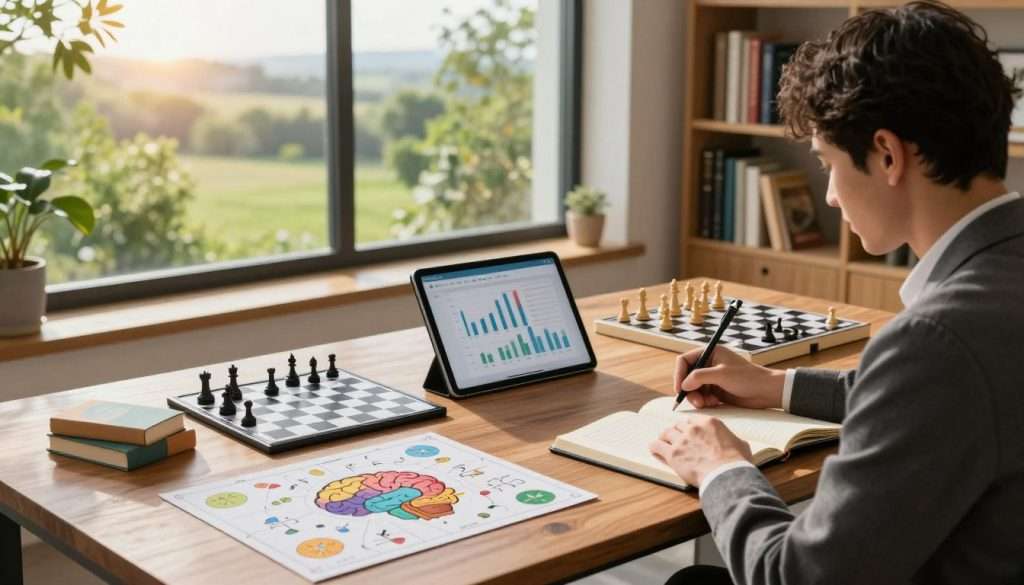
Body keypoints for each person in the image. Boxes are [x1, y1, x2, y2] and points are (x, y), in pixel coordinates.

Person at [649, 2, 1024, 584]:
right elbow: (939, 403)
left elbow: (796, 576)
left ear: (887, 154)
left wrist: (721, 468)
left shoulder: (938, 340)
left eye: (827, 164)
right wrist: (777, 385)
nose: (828, 196)